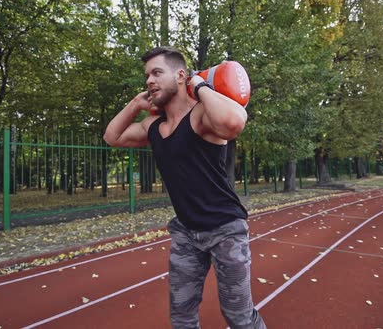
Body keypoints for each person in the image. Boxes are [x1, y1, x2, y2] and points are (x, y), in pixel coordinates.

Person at [103, 46, 266, 329]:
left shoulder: (202, 115)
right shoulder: (153, 125)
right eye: (147, 76)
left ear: (180, 76)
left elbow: (233, 122)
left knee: (239, 317)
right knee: (181, 315)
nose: (150, 81)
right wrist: (135, 104)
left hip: (225, 228)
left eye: (157, 73)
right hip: (186, 232)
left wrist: (199, 84)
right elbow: (111, 136)